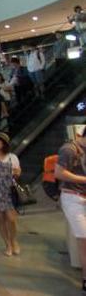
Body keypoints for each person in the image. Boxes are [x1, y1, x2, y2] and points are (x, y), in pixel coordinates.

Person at [55, 126, 86, 294]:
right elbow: (59, 173)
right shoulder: (69, 149)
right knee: (84, 240)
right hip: (73, 198)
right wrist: (84, 179)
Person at [0, 132, 21, 257]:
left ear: (4, 143)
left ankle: (14, 241)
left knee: (11, 219)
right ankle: (7, 244)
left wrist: (17, 172)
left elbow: (18, 172)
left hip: (9, 191)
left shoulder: (12, 157)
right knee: (1, 219)